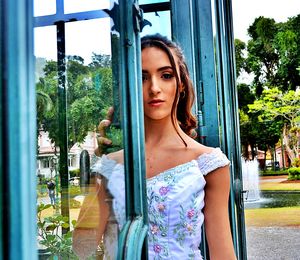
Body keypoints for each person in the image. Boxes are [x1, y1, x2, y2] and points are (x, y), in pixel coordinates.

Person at [73, 34, 236, 259]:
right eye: (142, 78)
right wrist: (100, 171)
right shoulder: (110, 165)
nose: (154, 88)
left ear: (180, 84)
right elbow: (81, 248)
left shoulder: (207, 164)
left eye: (166, 75)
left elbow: (223, 255)